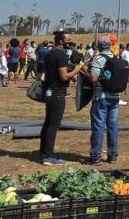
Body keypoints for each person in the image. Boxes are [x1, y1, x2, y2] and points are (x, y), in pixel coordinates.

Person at [40, 32, 82, 165]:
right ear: (61, 41)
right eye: (68, 40)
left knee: (48, 123)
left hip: (50, 92)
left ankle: (43, 152)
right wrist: (77, 69)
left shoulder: (50, 54)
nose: (70, 42)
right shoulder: (61, 55)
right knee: (53, 125)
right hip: (57, 93)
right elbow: (64, 76)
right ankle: (48, 156)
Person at [84, 36, 122, 165]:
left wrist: (85, 72)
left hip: (101, 96)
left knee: (99, 126)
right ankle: (113, 155)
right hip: (115, 97)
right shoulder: (116, 59)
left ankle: (96, 156)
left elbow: (94, 79)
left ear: (99, 46)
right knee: (113, 126)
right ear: (110, 45)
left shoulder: (98, 59)